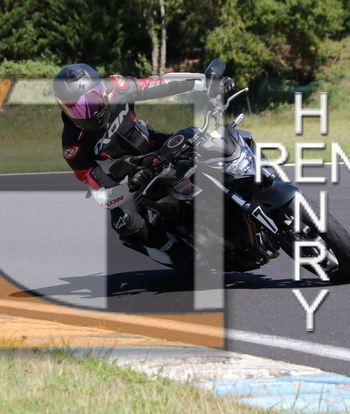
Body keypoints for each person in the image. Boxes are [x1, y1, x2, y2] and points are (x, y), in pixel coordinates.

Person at [53, 63, 233, 274]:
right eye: (77, 107)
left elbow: (160, 84)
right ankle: (173, 248)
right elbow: (100, 189)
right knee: (124, 223)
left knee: (203, 141)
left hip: (151, 144)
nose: (89, 111)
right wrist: (127, 186)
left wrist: (207, 83)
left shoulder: (118, 87)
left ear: (102, 90)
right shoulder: (73, 145)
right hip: (124, 177)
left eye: (92, 100)